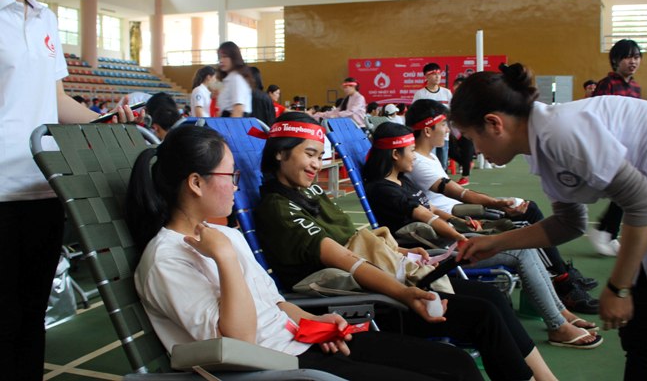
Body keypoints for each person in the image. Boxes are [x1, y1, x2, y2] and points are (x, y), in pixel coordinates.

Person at [125, 126, 483, 381]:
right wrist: (225, 259)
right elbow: (239, 345)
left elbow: (276, 304)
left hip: (304, 344)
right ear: (195, 183)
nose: (236, 185)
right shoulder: (166, 260)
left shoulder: (224, 235)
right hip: (278, 367)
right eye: (230, 176)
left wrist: (316, 324)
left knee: (455, 364)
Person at [254, 113, 558, 381]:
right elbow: (347, 259)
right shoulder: (278, 208)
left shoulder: (310, 191)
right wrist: (404, 293)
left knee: (490, 298)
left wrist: (402, 253)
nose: (316, 165)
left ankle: (544, 377)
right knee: (482, 316)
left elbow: (353, 240)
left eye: (320, 156)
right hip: (359, 300)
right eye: (310, 154)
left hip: (379, 279)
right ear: (280, 153)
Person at [450, 63, 647, 381]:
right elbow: (569, 223)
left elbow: (643, 203)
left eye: (473, 138)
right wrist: (495, 243)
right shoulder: (539, 142)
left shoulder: (560, 133)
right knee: (642, 336)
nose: (475, 150)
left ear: (494, 123)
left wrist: (619, 287)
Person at [0, 0, 138, 377]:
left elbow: (56, 101)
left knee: (30, 318)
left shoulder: (46, 17)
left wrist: (106, 122)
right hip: (0, 193)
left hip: (43, 188)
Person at [363, 121, 602, 349]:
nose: (414, 156)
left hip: (443, 242)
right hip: (433, 252)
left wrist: (459, 221)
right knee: (520, 250)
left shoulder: (402, 181)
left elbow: (432, 208)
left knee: (522, 241)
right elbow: (428, 218)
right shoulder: (384, 190)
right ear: (395, 154)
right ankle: (558, 325)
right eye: (410, 151)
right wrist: (463, 239)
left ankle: (560, 312)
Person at [404, 98, 600, 312]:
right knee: (529, 215)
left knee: (529, 209)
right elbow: (460, 193)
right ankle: (563, 281)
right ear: (427, 130)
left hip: (460, 212)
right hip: (457, 216)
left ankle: (562, 274)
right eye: (443, 125)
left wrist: (497, 204)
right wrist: (497, 204)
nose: (447, 130)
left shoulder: (429, 157)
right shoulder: (418, 162)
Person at [588, 39, 643, 257]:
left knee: (626, 192)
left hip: (629, 147)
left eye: (636, 57)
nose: (633, 61)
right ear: (615, 60)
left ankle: (606, 232)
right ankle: (606, 231)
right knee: (626, 191)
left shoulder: (636, 87)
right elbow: (596, 115)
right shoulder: (607, 84)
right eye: (627, 57)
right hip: (609, 146)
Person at [412, 63, 452, 170]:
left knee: (443, 164)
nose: (437, 76)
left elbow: (451, 112)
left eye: (439, 74)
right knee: (430, 163)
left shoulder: (447, 93)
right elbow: (415, 113)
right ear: (426, 76)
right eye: (434, 74)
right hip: (427, 136)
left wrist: (449, 127)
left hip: (443, 135)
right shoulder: (420, 94)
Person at [216, 41, 253, 117]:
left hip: (234, 120)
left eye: (225, 57)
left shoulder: (236, 78)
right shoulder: (229, 79)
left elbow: (238, 109)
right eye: (220, 57)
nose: (221, 61)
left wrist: (229, 125)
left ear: (234, 58)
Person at [449, 77, 475, 185]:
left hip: (466, 129)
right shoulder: (450, 98)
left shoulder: (470, 99)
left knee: (467, 151)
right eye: (458, 85)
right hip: (452, 130)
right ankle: (466, 164)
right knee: (450, 151)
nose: (459, 88)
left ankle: (465, 176)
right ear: (454, 86)